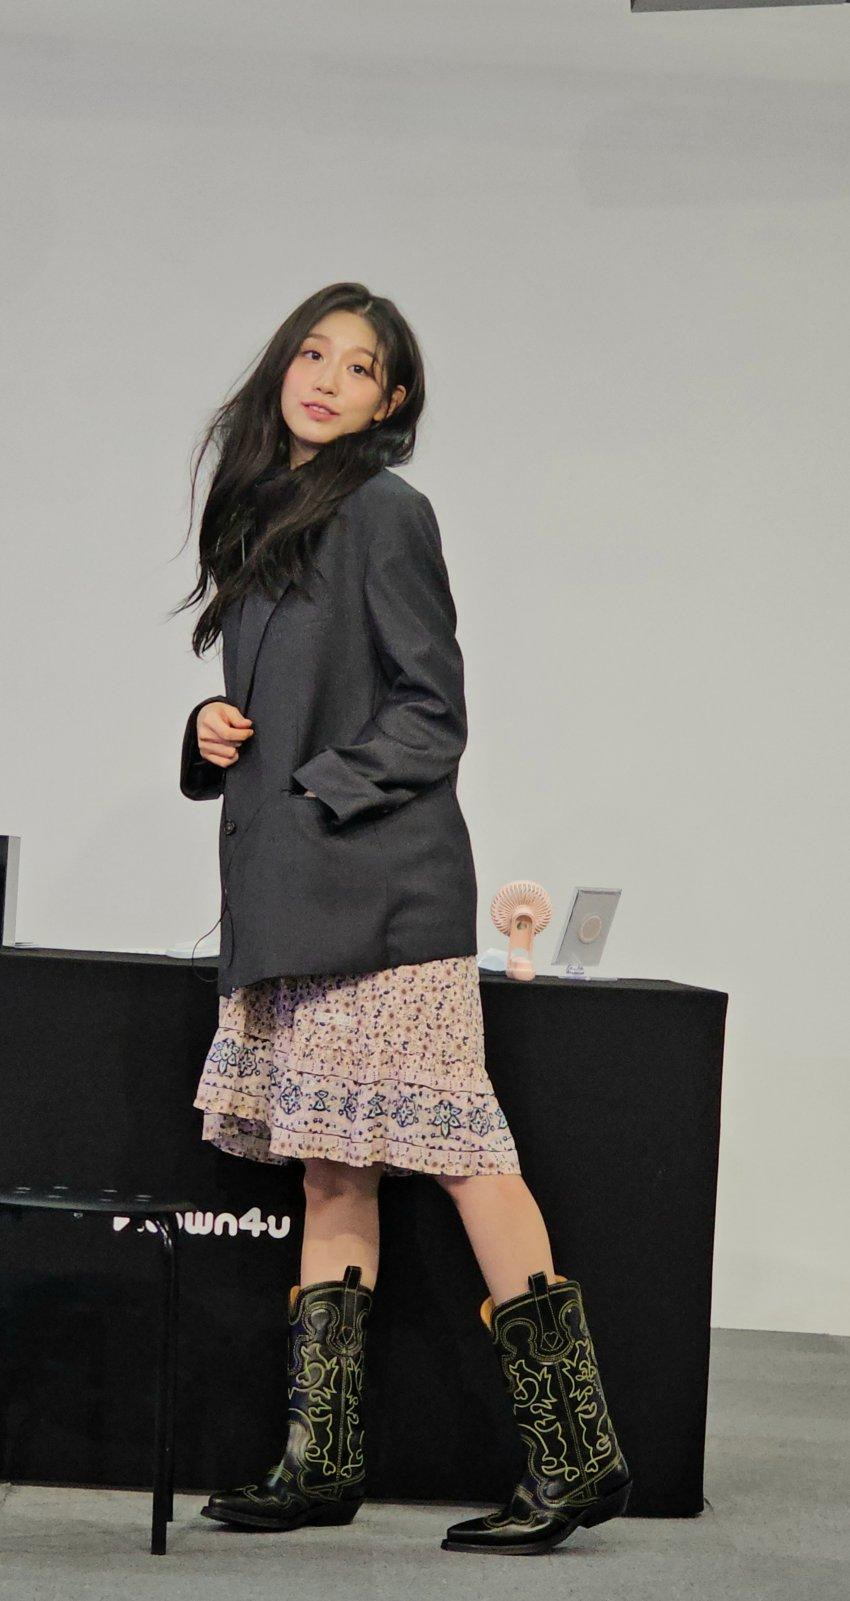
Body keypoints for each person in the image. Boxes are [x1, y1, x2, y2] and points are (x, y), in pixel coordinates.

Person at [173, 281, 632, 1555]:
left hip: (380, 895)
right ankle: (319, 1463)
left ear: (393, 398)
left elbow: (432, 709)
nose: (325, 379)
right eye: (311, 354)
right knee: (332, 1162)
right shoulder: (266, 519)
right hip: (292, 898)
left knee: (462, 1149)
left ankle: (577, 1455)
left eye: (358, 366)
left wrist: (315, 791)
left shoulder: (384, 510)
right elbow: (282, 706)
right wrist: (208, 734)